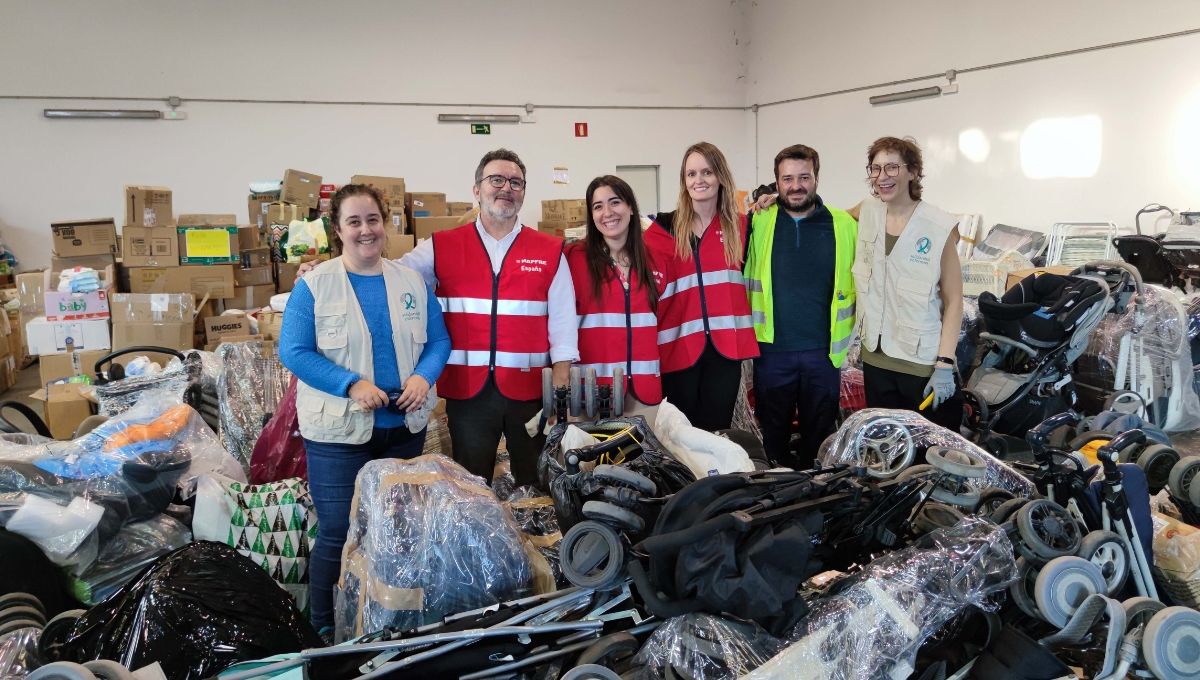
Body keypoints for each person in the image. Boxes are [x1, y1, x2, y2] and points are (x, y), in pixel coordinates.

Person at [296, 150, 578, 486]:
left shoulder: (549, 250)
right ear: (477, 190)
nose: (506, 188)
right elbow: (385, 273)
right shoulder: (441, 246)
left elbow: (563, 318)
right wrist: (325, 271)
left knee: (537, 482)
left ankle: (541, 538)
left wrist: (562, 381)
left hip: (529, 390)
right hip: (468, 394)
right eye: (496, 180)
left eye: (515, 182)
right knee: (471, 488)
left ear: (523, 191)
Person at [279, 183, 451, 638]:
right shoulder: (314, 286)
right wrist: (349, 384)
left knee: (401, 533)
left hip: (404, 428)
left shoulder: (410, 281)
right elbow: (293, 351)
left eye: (372, 220)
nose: (365, 230)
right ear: (338, 230)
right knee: (338, 534)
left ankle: (391, 622)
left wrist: (422, 377)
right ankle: (321, 632)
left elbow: (438, 341)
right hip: (339, 437)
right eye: (353, 221)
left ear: (386, 224)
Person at [744, 144, 857, 469]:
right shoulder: (759, 221)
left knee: (819, 438)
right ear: (776, 182)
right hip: (772, 351)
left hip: (824, 354)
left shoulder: (843, 224)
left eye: (804, 177)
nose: (796, 186)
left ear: (817, 178)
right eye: (787, 178)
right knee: (773, 435)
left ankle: (816, 497)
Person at [849, 136, 964, 430]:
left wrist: (944, 365)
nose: (881, 177)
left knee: (930, 450)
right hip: (876, 360)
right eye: (875, 169)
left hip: (921, 363)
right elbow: (823, 217)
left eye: (891, 168)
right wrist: (774, 203)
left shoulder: (938, 227)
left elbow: (954, 301)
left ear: (913, 172)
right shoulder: (867, 211)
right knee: (889, 447)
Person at [644, 142, 759, 431]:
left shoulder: (742, 227)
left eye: (707, 172)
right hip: (678, 348)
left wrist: (771, 200)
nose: (699, 180)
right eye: (691, 174)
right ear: (684, 182)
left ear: (720, 176)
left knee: (715, 433)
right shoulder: (664, 228)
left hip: (725, 353)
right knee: (679, 435)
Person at [567, 175, 663, 421]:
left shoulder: (655, 258)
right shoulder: (573, 258)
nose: (607, 212)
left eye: (615, 202)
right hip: (591, 396)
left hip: (642, 394)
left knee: (644, 459)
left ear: (631, 207)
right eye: (598, 206)